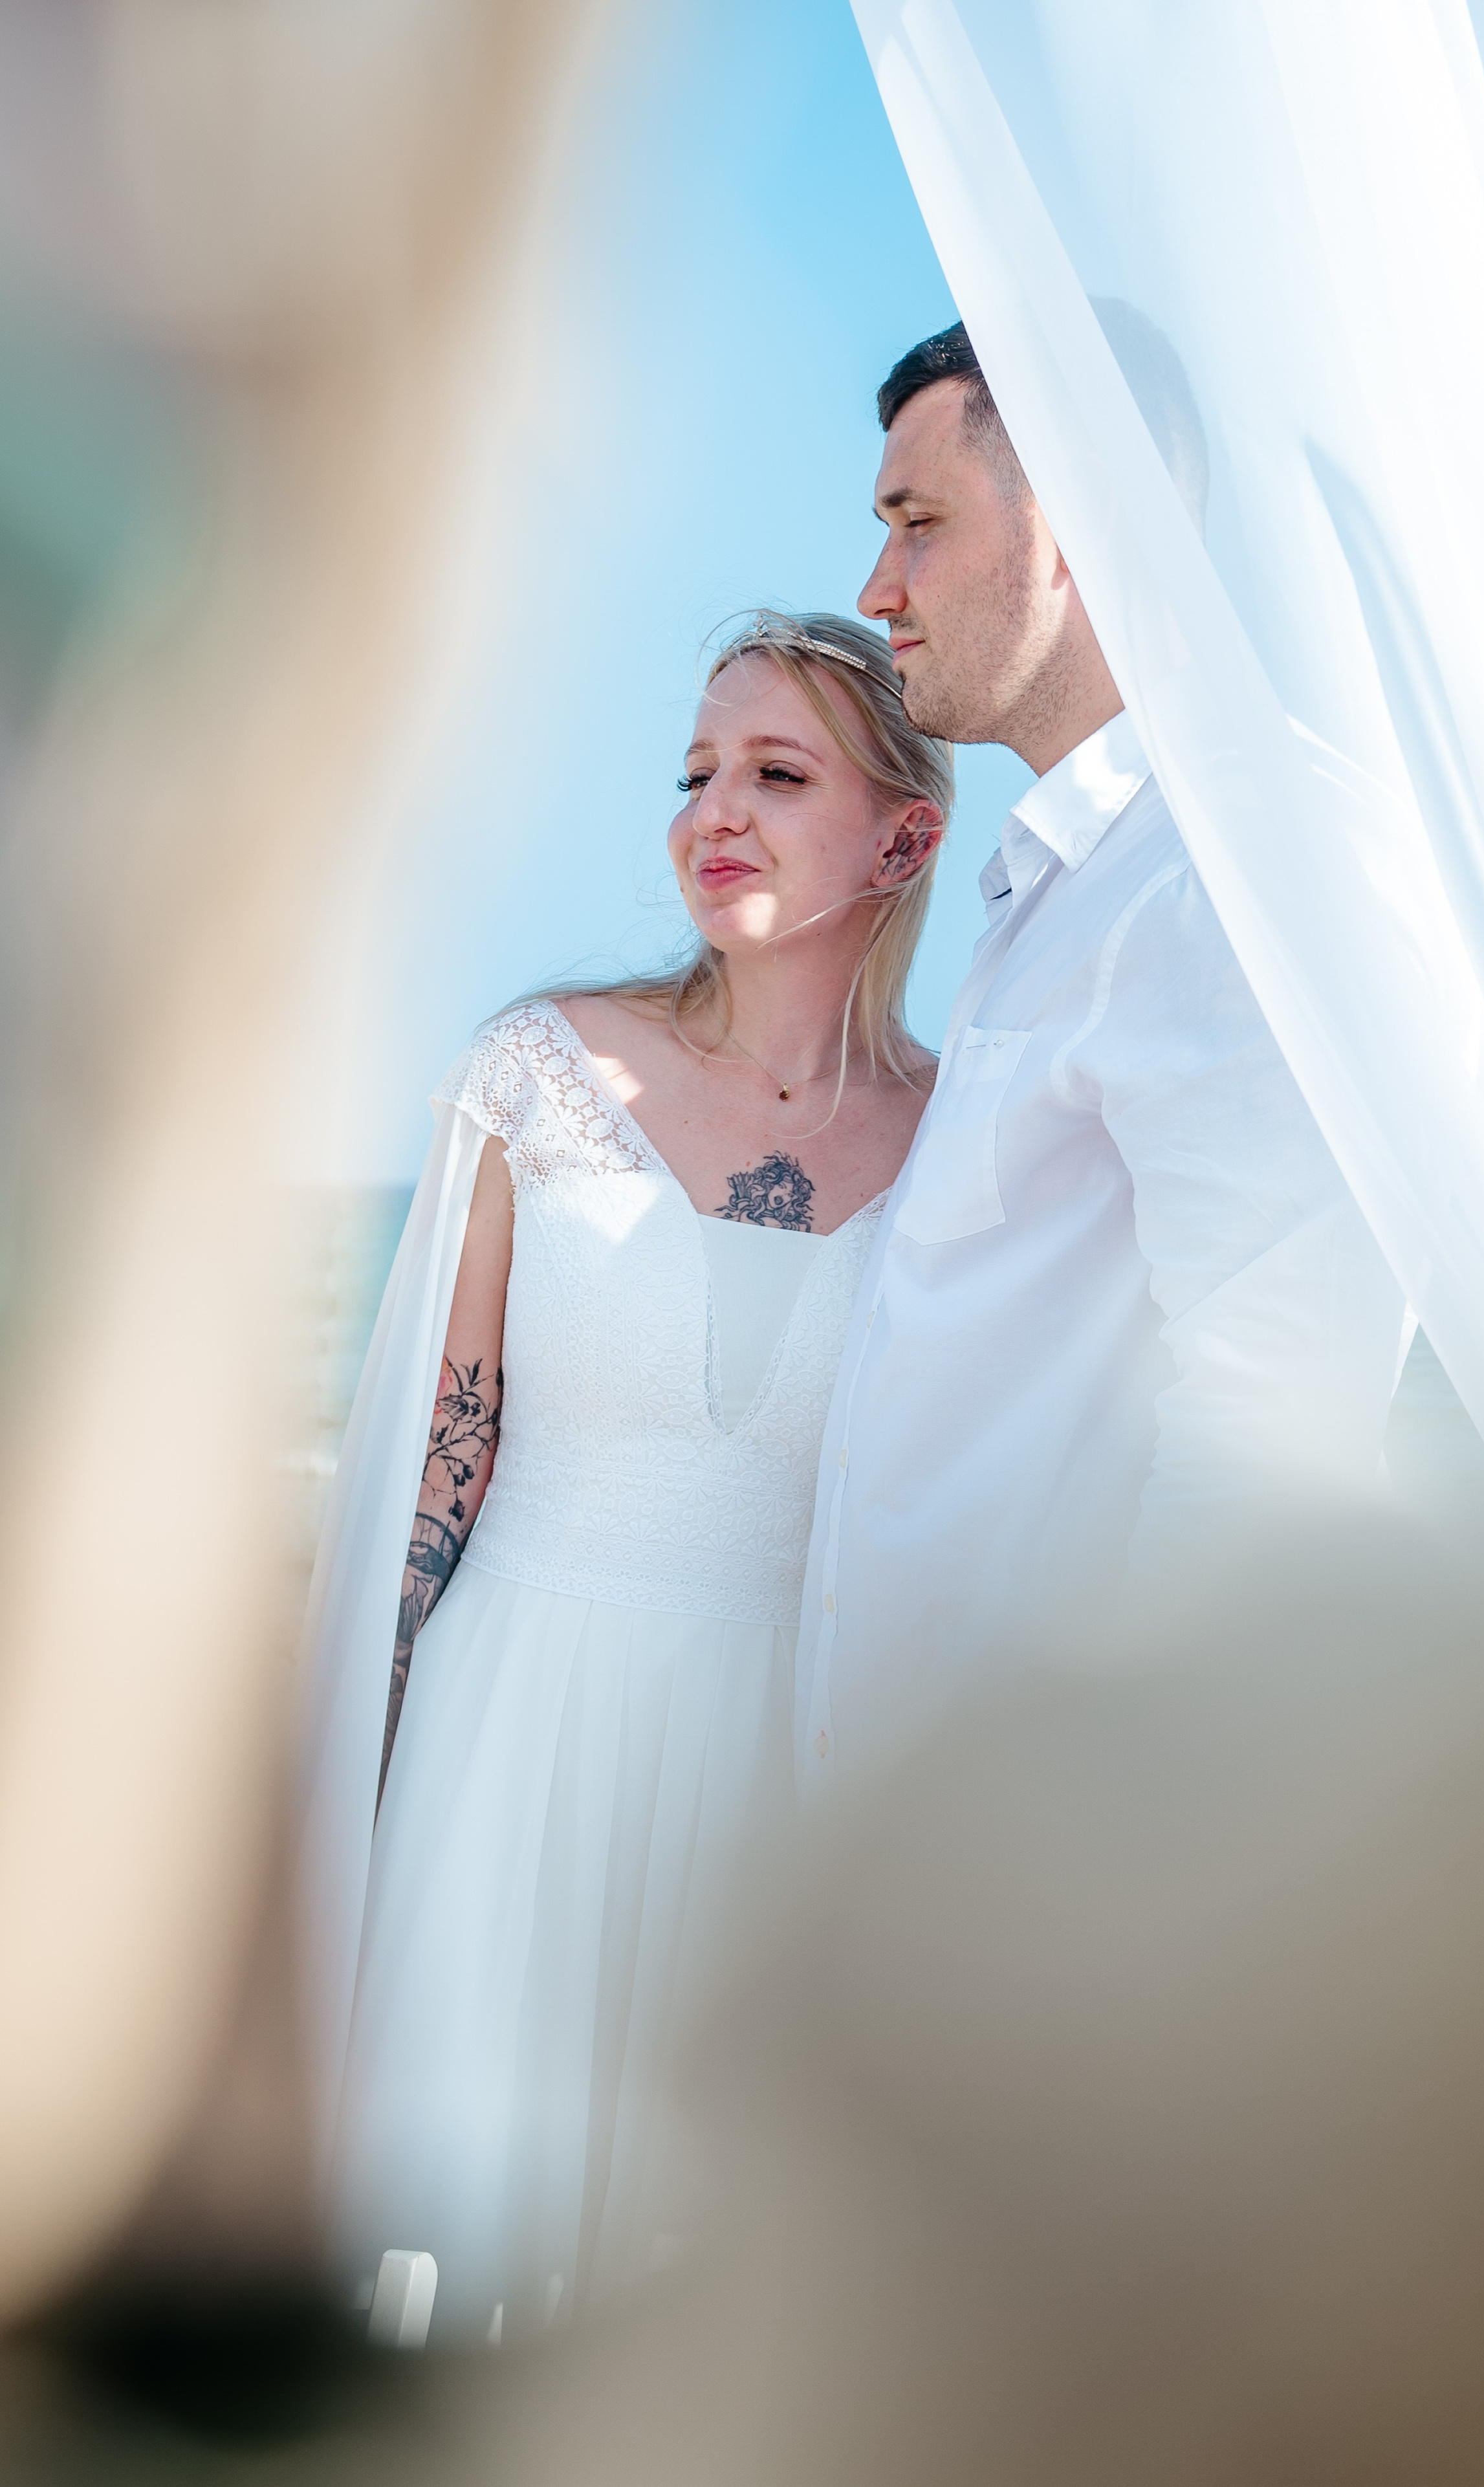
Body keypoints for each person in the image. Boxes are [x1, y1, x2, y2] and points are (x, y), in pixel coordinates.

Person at [299, 611, 950, 2340]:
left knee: (695, 2296)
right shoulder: (540, 1072)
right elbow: (433, 1472)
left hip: (780, 1779)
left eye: (776, 771)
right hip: (508, 1734)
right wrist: (327, 1817)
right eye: (695, 771)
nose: (710, 809)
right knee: (453, 2266)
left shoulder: (979, 1144)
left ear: (909, 835)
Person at [796, 321, 1409, 1779]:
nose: (874, 589)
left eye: (916, 523)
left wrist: (1087, 1841)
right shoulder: (1069, 887)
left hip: (1033, 1851)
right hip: (913, 1824)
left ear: (1071, 524)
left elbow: (1268, 1442)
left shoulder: (1234, 876)